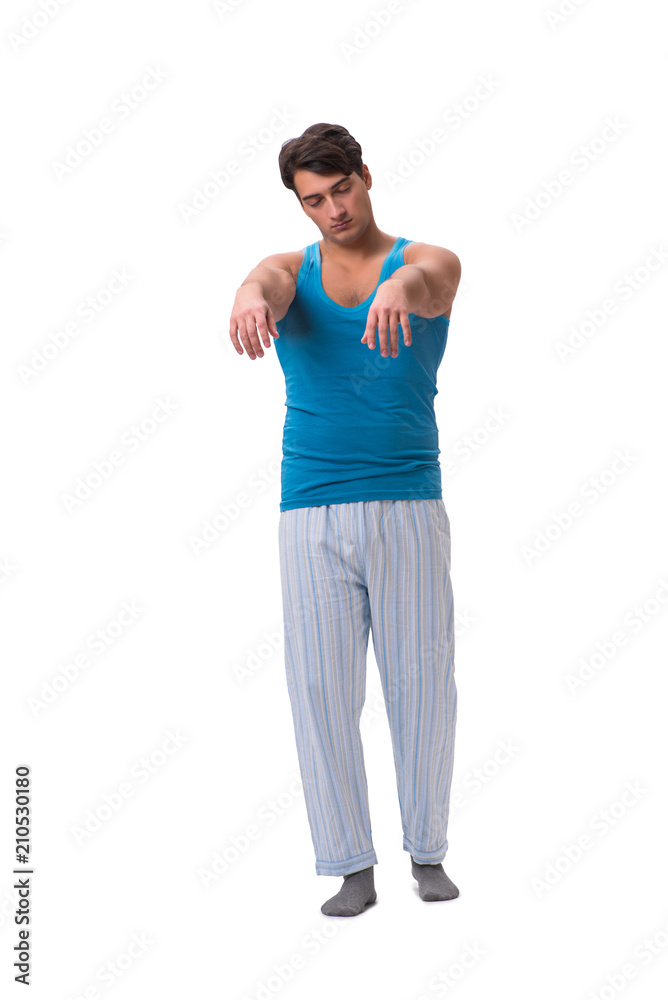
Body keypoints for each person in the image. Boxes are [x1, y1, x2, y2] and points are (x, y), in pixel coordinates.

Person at [229, 123, 461, 917]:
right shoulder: (291, 271)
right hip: (310, 511)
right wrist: (249, 297)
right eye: (313, 200)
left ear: (365, 175)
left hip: (407, 505)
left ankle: (427, 853)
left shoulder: (427, 260)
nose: (333, 210)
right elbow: (267, 283)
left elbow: (431, 280)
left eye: (341, 189)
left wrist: (401, 290)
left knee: (422, 686)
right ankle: (349, 866)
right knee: (320, 691)